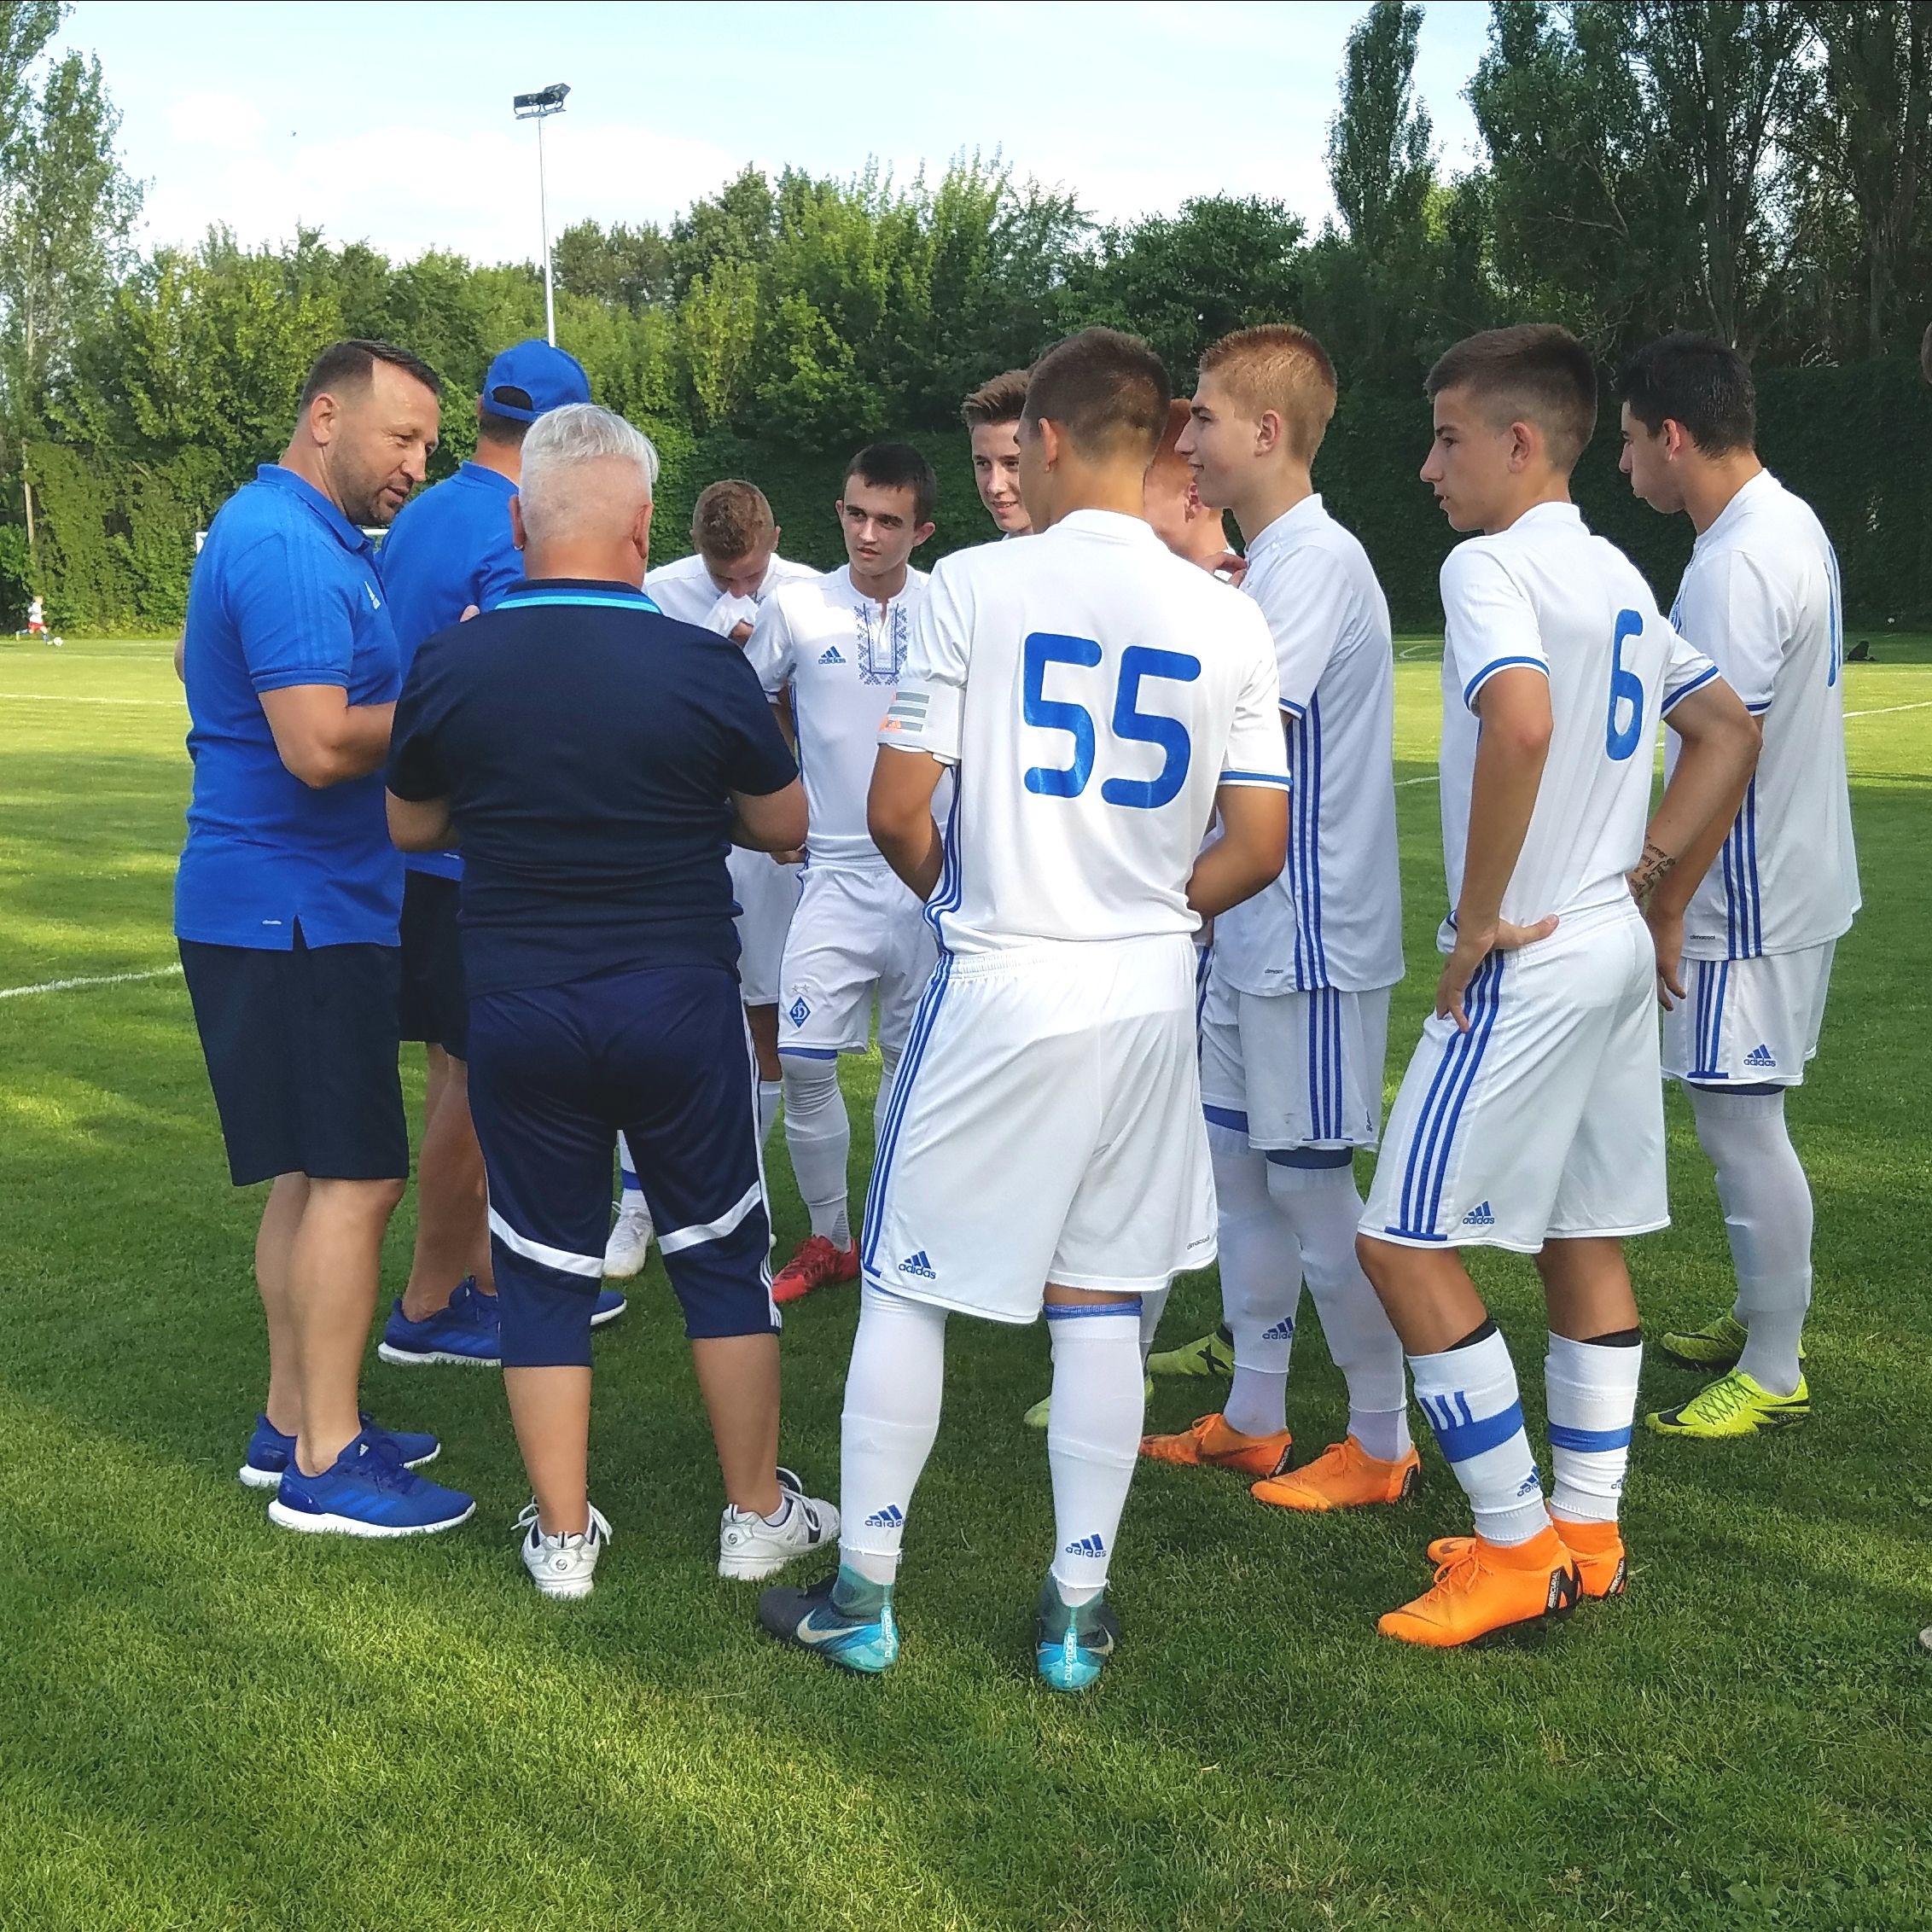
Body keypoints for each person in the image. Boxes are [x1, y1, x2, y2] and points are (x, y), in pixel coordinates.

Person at [757, 328, 1291, 1690]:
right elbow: (1262, 838)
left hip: (1002, 978)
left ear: (1046, 441)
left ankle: (865, 1597)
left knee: (905, 1284)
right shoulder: (1229, 612)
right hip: (1146, 992)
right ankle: (1074, 1610)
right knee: (1105, 1305)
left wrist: (972, 898)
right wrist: (1160, 910)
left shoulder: (976, 589)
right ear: (1164, 440)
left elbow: (892, 809)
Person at [1353, 324, 1761, 1649]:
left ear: (1520, 443)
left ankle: (1521, 1546)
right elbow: (1727, 734)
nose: (1428, 468)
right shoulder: (1622, 578)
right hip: (1602, 950)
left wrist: (1474, 924)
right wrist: (1653, 881)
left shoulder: (1489, 567)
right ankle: (1589, 1525)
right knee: (1583, 1234)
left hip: (1528, 954)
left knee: (1399, 1242)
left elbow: (1518, 722)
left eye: (1449, 438)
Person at [385, 404, 838, 1598]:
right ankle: (754, 1514)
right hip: (678, 997)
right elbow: (786, 825)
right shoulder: (700, 663)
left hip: (522, 1004)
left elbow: (410, 821)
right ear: (644, 529)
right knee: (723, 1258)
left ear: (525, 518)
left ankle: (566, 1536)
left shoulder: (456, 661)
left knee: (540, 1270)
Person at [176, 337, 473, 1536]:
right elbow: (314, 740)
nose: (414, 464)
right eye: (400, 438)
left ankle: (295, 1417)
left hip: (297, 905)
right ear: (324, 420)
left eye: (427, 446)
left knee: (314, 1174)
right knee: (359, 1175)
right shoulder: (290, 543)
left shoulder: (309, 540)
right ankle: (327, 1462)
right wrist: (461, 700)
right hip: (289, 909)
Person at [1143, 323, 1415, 1510]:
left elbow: (1225, 732)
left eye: (1201, 417)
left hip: (1310, 933)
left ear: (1266, 431)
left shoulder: (1316, 562)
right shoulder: (1271, 561)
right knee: (1240, 1176)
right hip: (1248, 931)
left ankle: (1382, 1438)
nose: (1186, 440)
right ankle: (1256, 1416)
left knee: (1309, 1188)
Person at [1616, 332, 1857, 1440]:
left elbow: (1730, 747)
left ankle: (1774, 1363)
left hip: (1747, 900)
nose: (1623, 468)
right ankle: (1761, 1319)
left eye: (1628, 443)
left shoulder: (1733, 563)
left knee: (1740, 1121)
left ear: (1673, 436)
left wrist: (1664, 904)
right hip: (1782, 880)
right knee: (1734, 1118)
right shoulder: (1783, 519)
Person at [374, 336, 626, 1370]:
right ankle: (432, 1300)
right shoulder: (512, 528)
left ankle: (477, 1277)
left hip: (416, 844)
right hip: (478, 857)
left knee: (455, 1079)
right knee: (477, 1092)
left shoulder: (421, 512)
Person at [608, 481, 822, 1277]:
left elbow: (815, 729)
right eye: (720, 573)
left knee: (765, 1020)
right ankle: (638, 1203)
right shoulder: (659, 594)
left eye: (748, 572)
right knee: (655, 1016)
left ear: (772, 534)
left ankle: (740, 1195)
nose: (738, 588)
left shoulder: (807, 596)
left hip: (768, 834)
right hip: (676, 835)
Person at [745, 444, 939, 1305]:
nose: (867, 533)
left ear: (919, 529)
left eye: (888, 520)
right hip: (832, 875)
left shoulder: (949, 605)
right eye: (856, 513)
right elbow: (742, 704)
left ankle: (898, 1231)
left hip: (930, 878)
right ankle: (829, 1233)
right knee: (802, 1054)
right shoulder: (796, 606)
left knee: (914, 1067)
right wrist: (773, 806)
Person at [962, 368, 1033, 535]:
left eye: (1013, 464)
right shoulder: (977, 561)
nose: (995, 487)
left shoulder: (1099, 559)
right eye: (983, 464)